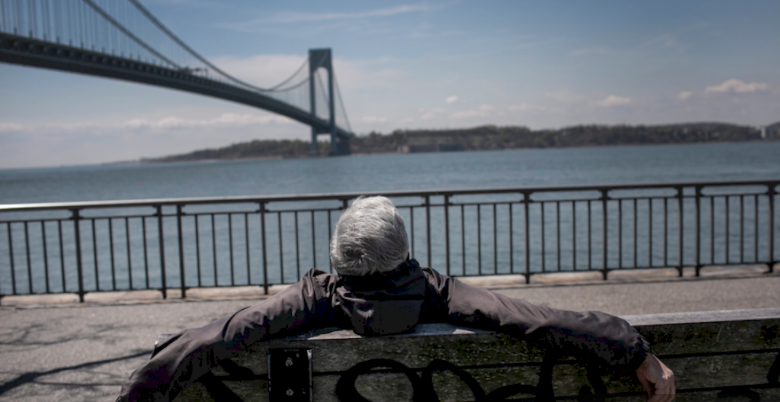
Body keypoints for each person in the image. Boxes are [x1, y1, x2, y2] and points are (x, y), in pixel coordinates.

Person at [117, 196, 675, 402]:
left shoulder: (314, 299)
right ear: (405, 250)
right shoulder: (439, 295)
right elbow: (538, 318)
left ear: (337, 257)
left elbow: (225, 333)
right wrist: (634, 351)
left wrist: (142, 393)